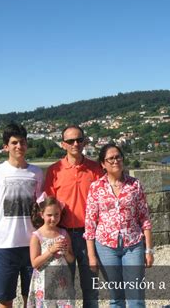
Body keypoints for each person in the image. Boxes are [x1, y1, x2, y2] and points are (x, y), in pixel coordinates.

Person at [84, 144, 154, 308]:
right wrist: (91, 255)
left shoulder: (135, 185)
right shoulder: (96, 188)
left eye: (118, 157)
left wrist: (149, 249)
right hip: (105, 247)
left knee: (136, 295)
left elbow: (145, 218)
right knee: (116, 296)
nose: (115, 160)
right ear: (103, 163)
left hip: (133, 245)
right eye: (111, 158)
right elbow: (90, 222)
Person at [0, 122, 44, 308]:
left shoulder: (37, 173)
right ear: (6, 146)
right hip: (5, 245)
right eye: (14, 142)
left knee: (31, 298)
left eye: (23, 142)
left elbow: (40, 205)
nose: (19, 146)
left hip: (32, 244)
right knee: (5, 299)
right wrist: (3, 223)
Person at [43, 125, 104, 307]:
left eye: (79, 139)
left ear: (85, 141)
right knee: (63, 289)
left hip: (90, 237)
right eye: (70, 141)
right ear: (63, 144)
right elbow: (49, 206)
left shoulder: (96, 169)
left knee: (91, 290)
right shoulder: (54, 171)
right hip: (63, 235)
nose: (75, 143)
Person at [27, 195, 75, 307]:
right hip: (44, 282)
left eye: (56, 214)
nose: (53, 218)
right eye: (49, 215)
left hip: (62, 282)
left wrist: (66, 252)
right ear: (41, 214)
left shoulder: (63, 233)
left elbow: (71, 260)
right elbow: (34, 263)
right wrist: (50, 251)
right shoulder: (37, 236)